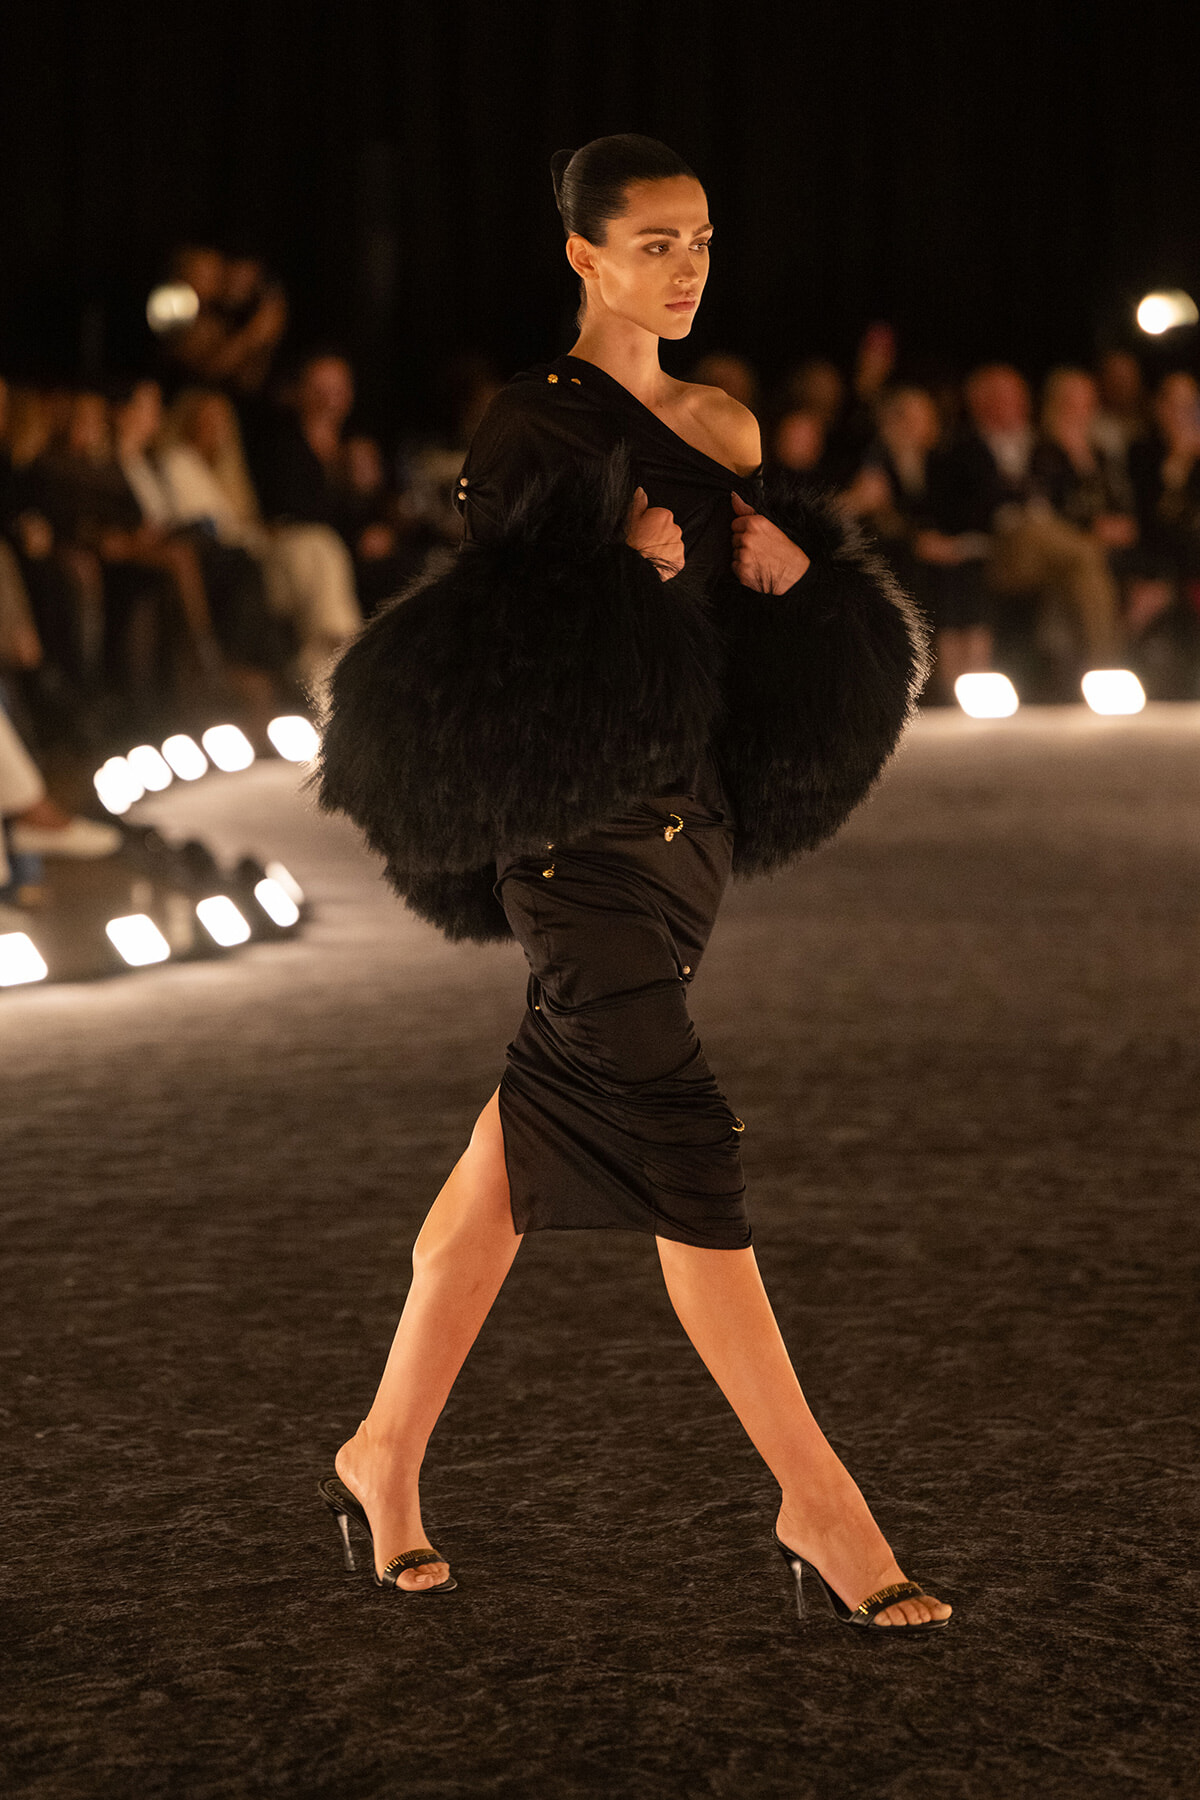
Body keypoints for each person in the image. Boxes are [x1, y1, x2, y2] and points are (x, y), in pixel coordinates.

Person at [315, 135, 950, 1631]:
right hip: (575, 837)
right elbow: (487, 660)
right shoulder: (531, 431)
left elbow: (747, 658)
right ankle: (822, 1501)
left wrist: (805, 598)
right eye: (653, 243)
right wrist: (622, 579)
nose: (685, 268)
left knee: (514, 1159)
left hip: (695, 835)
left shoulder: (722, 422)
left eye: (702, 241)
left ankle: (382, 1453)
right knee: (685, 1137)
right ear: (583, 259)